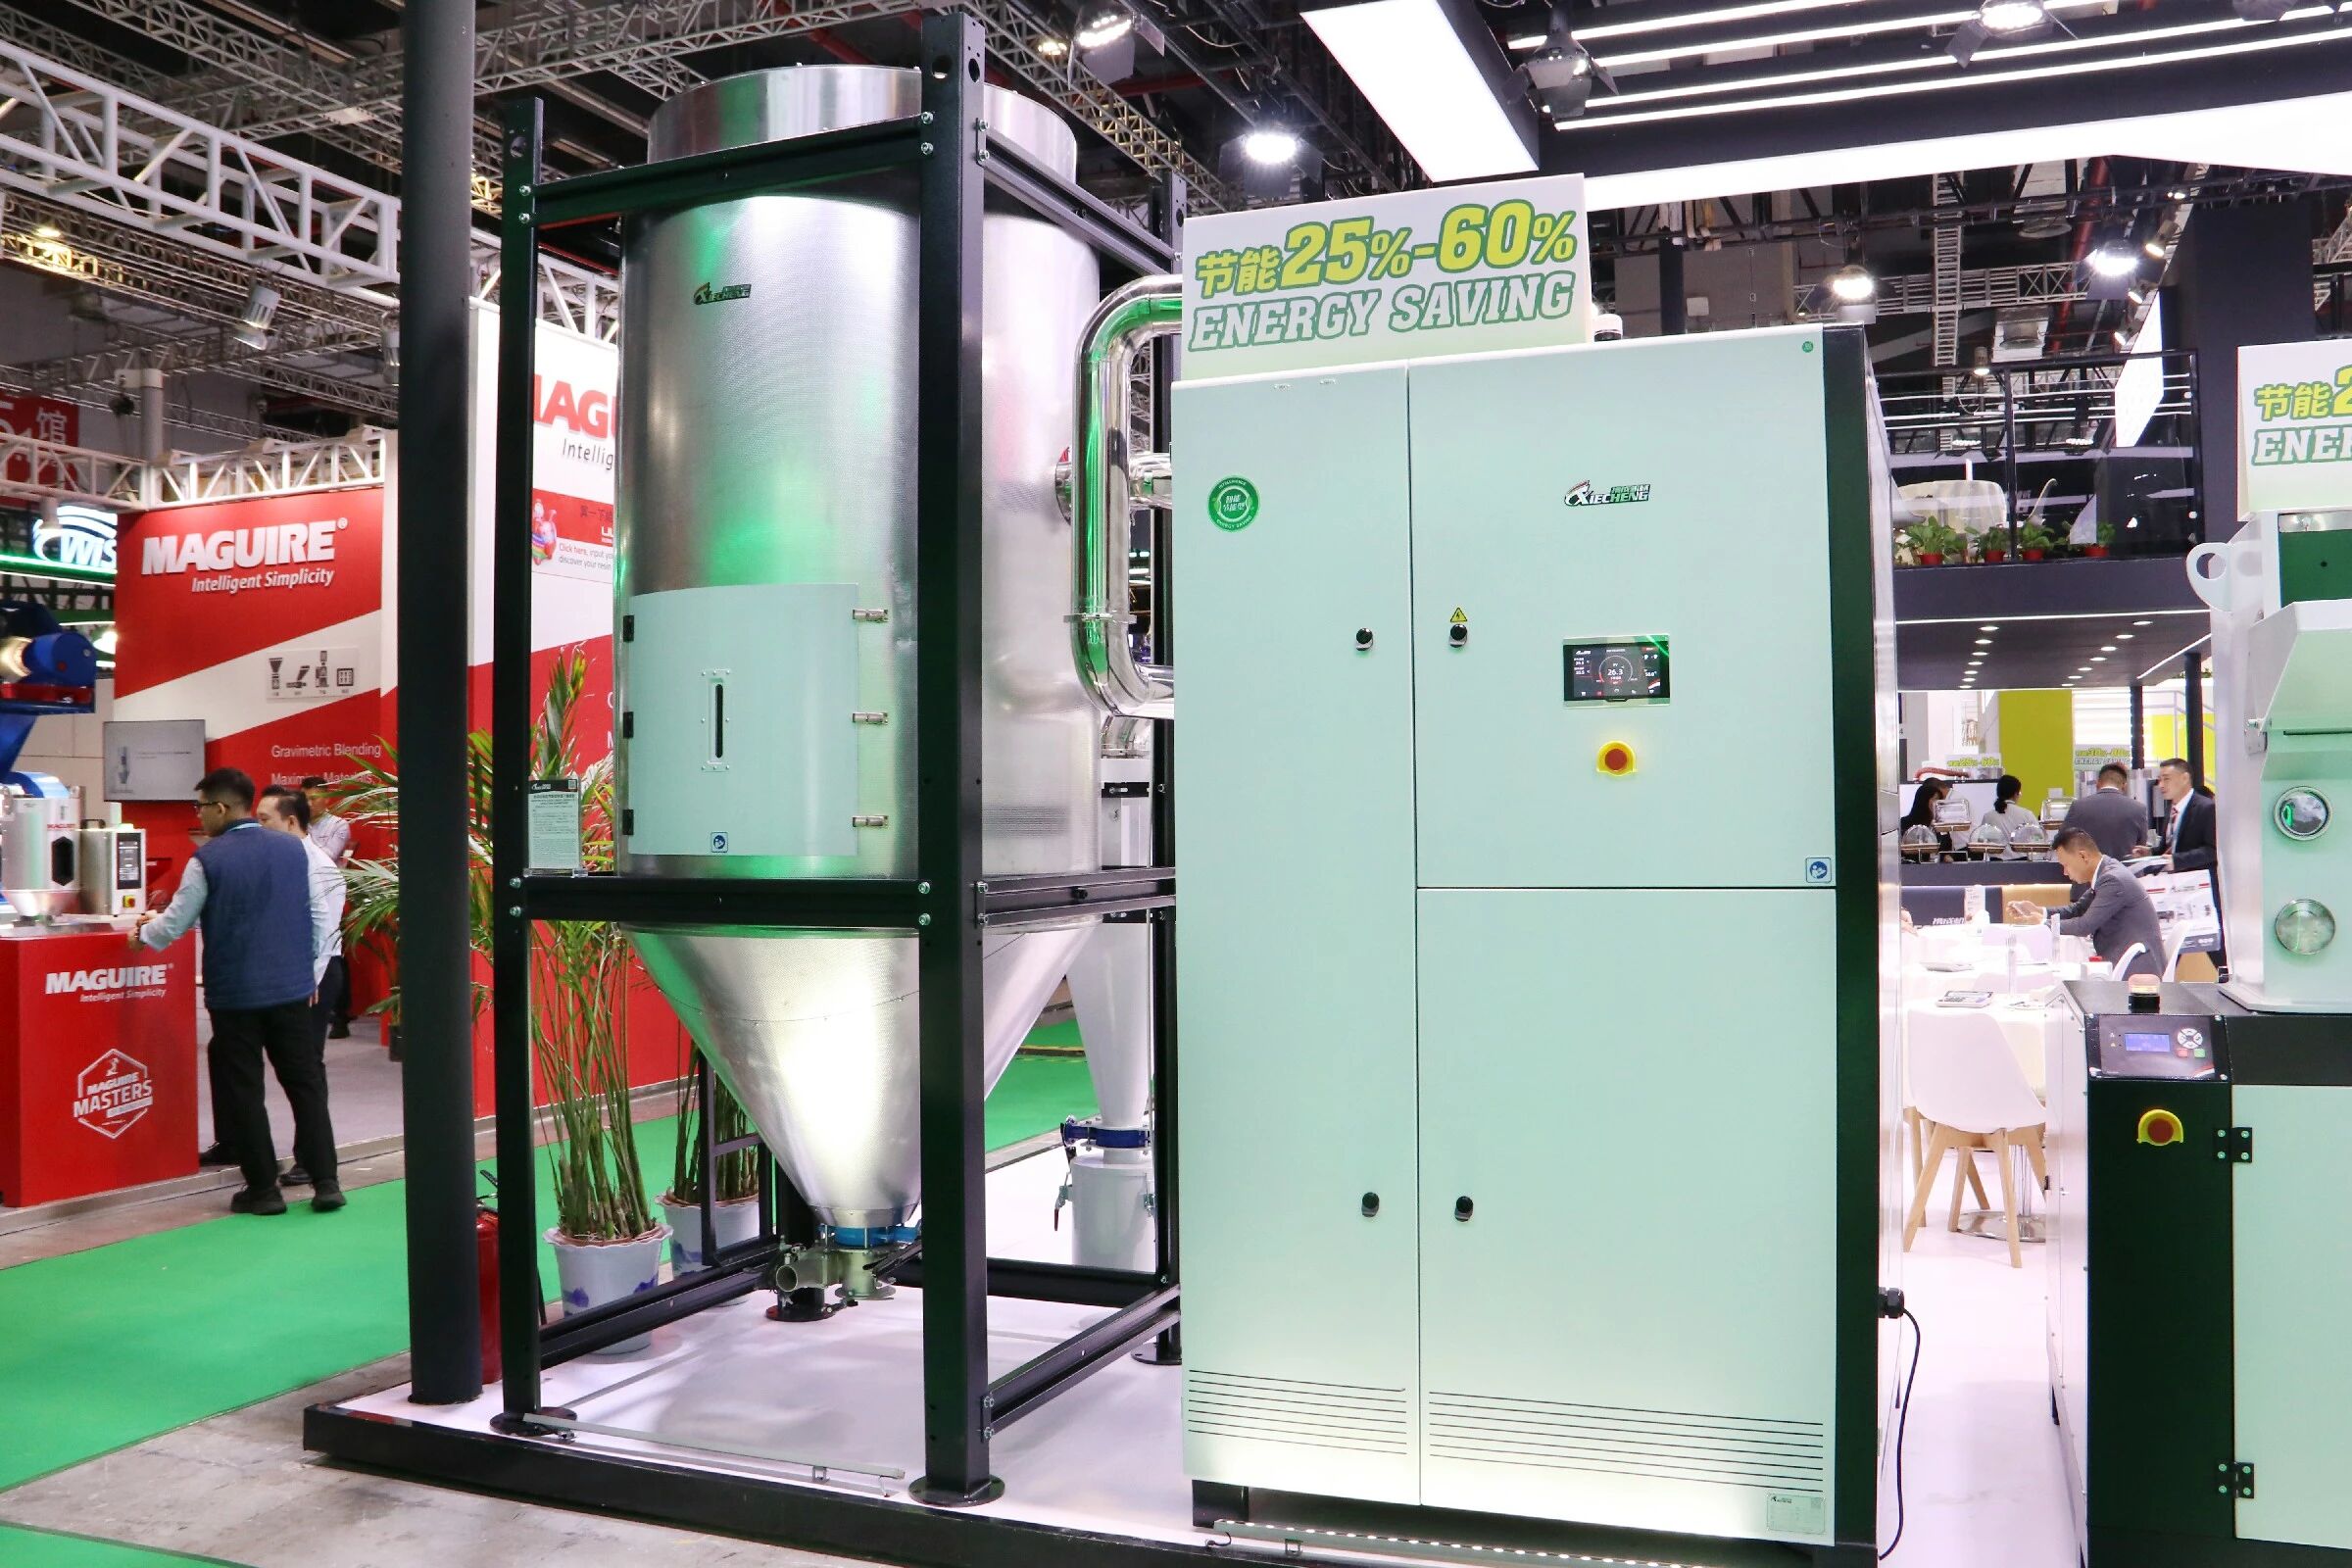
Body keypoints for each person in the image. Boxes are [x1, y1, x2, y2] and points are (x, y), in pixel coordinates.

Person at [133, 767, 343, 1215]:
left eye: (200, 808)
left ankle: (263, 1190)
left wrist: (142, 935)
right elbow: (319, 918)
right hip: (291, 990)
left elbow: (177, 922)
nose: (198, 817)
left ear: (221, 808)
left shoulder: (206, 859)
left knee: (245, 1091)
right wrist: (309, 975)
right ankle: (327, 1182)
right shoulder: (296, 850)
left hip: (235, 996)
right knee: (305, 1084)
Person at [259, 784, 346, 1187]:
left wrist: (310, 978)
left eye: (265, 820)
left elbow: (324, 930)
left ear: (291, 822)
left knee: (307, 1068)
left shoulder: (317, 865)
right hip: (292, 974)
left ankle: (312, 1159)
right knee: (299, 1068)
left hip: (315, 976)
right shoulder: (282, 860)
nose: (259, 828)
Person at [2009, 825, 2166, 981]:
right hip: (2123, 962)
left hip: (2136, 971)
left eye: (2065, 865)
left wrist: (2043, 923)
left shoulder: (2113, 879)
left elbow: (2085, 925)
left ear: (2083, 856)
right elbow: (2077, 909)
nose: (2065, 872)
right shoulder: (2107, 871)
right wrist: (2039, 911)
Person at [300, 777, 356, 1039]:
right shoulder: (300, 825)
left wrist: (302, 838)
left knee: (333, 955)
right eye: (305, 799)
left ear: (327, 799)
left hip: (330, 897)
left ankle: (340, 1015)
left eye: (315, 798)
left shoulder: (338, 825)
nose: (310, 804)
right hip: (303, 896)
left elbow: (329, 855)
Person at [2062, 762, 2148, 861]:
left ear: (2097, 783)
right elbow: (2141, 847)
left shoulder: (2078, 806)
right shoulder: (2138, 809)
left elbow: (2062, 840)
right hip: (2126, 869)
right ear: (2124, 786)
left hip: (2088, 869)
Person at [2155, 758, 2217, 874]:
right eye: (2159, 780)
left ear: (2185, 778)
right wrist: (2150, 852)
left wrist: (2177, 861)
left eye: (2166, 779)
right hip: (2172, 879)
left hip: (2197, 880)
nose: (2161, 785)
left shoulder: (2206, 807)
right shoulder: (2170, 809)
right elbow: (2170, 847)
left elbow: (2212, 850)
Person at [1979, 774, 2040, 845]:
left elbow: (1981, 843)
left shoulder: (1988, 817)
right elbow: (2039, 839)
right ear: (2016, 793)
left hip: (1996, 852)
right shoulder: (2027, 814)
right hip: (2023, 852)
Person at [1901, 778, 1954, 853]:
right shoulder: (1904, 823)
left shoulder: (1939, 824)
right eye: (1935, 799)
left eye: (1939, 800)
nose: (1937, 803)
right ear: (1924, 800)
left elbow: (1947, 847)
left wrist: (1947, 856)